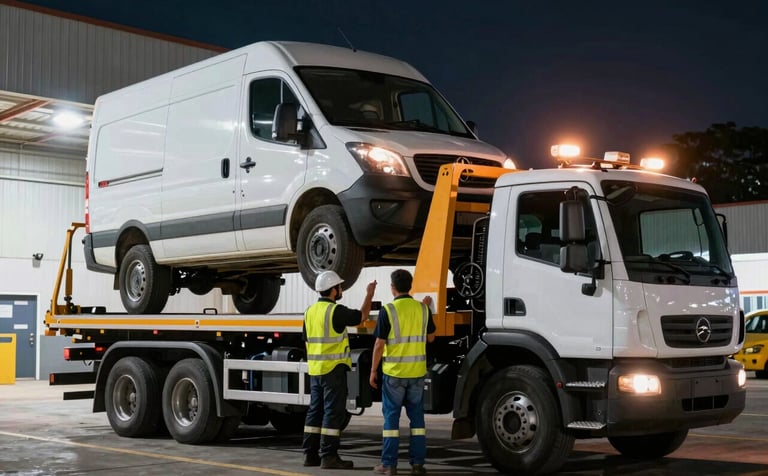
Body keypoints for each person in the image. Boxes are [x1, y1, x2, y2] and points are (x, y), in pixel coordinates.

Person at [302, 270, 377, 470]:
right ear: (333, 290)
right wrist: (370, 294)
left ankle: (310, 455)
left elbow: (307, 340)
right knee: (332, 413)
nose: (341, 289)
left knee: (314, 412)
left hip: (316, 369)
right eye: (340, 287)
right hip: (333, 370)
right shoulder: (336, 311)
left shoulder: (309, 312)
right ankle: (329, 456)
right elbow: (361, 317)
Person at [370, 269, 436, 476]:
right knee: (417, 421)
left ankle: (389, 465)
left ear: (392, 288)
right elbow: (431, 338)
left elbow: (379, 344)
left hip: (394, 375)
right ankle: (417, 464)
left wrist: (373, 370)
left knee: (391, 420)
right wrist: (423, 310)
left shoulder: (388, 311)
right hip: (416, 373)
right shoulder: (423, 310)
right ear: (410, 286)